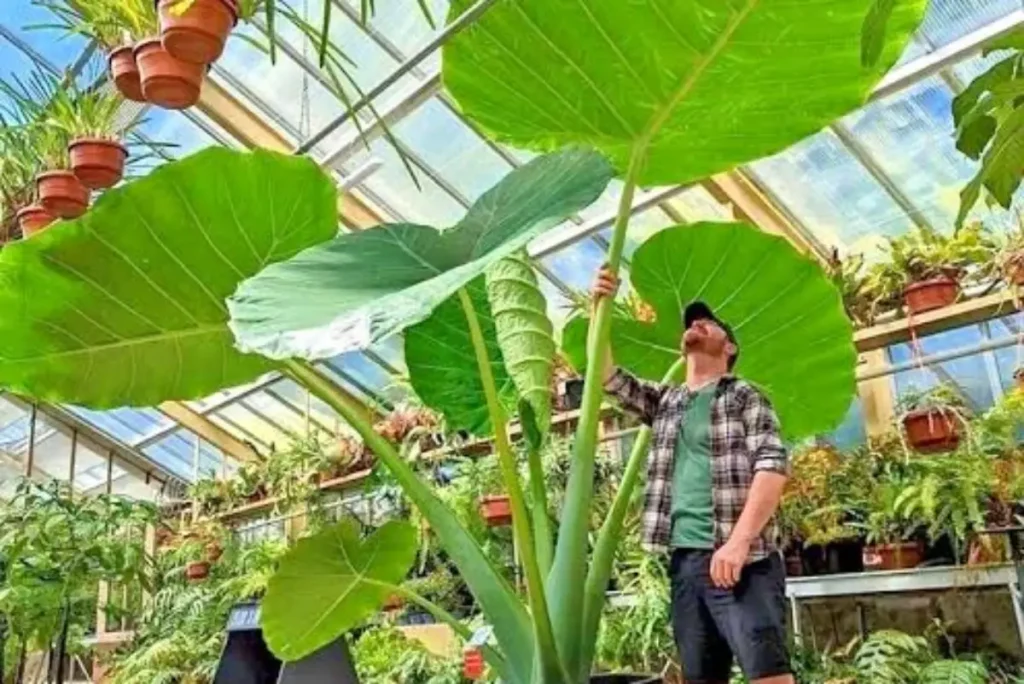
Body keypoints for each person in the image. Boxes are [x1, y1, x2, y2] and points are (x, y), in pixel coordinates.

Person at [592, 266, 793, 684]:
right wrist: (601, 307)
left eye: (708, 321)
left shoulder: (744, 395)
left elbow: (772, 466)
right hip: (685, 562)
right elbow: (606, 377)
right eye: (691, 322)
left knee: (768, 676)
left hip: (743, 562)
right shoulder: (667, 401)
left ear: (730, 347)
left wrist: (737, 544)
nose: (696, 323)